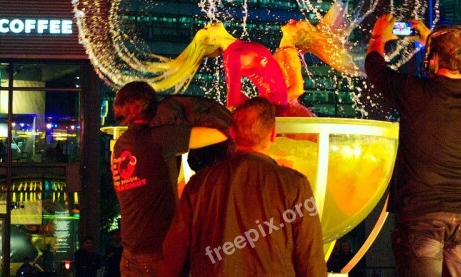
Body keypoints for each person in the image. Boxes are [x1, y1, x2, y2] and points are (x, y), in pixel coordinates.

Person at [365, 14, 461, 276]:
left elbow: (374, 68)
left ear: (431, 60)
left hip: (421, 216)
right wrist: (432, 42)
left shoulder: (414, 93)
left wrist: (378, 36)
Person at [162, 97, 326, 276]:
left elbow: (175, 254)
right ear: (272, 134)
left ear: (231, 133)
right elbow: (309, 257)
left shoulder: (199, 184)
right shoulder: (295, 185)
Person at [111, 81, 229, 276]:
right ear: (150, 106)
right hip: (159, 255)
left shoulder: (120, 146)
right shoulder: (160, 138)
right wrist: (187, 107)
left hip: (130, 257)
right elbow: (223, 133)